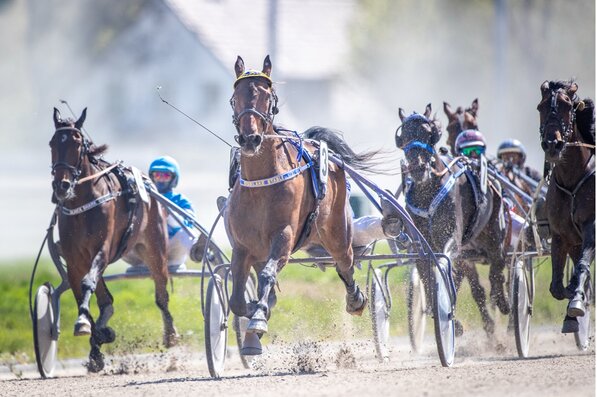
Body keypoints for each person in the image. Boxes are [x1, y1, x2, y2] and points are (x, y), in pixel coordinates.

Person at [149, 155, 198, 271]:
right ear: (152, 177)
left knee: (184, 232)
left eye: (165, 175)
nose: (160, 179)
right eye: (157, 175)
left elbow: (190, 225)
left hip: (174, 252)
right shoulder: (145, 199)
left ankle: (196, 251)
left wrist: (169, 214)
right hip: (147, 253)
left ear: (173, 178)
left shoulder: (181, 200)